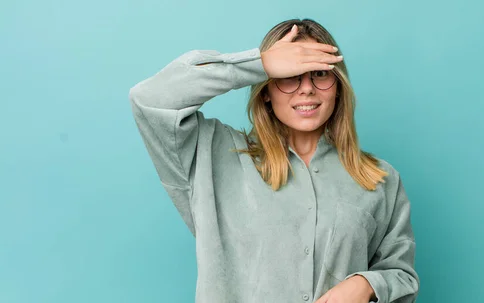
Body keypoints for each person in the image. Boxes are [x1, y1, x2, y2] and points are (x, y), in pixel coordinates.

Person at [129, 18, 419, 303]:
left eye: (319, 73)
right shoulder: (212, 155)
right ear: (266, 90)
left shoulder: (380, 179)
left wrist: (367, 284)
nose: (306, 88)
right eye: (290, 75)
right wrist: (259, 64)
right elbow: (150, 99)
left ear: (338, 86)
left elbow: (402, 276)